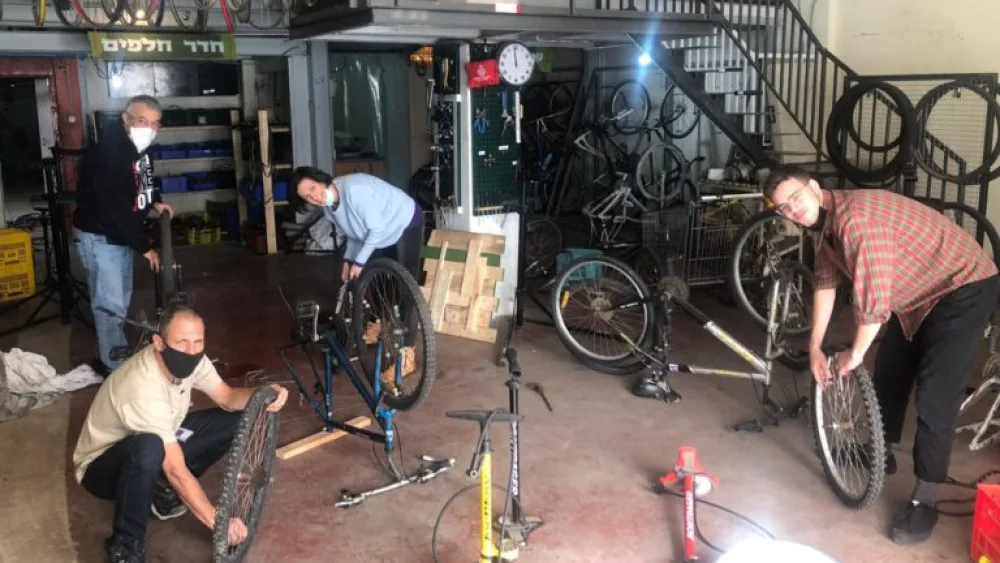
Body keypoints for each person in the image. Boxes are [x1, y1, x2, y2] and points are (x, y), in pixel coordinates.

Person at [763, 166, 999, 545]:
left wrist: (854, 353)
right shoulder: (821, 228)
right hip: (919, 289)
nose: (793, 209)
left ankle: (925, 497)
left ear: (814, 187)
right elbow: (825, 283)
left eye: (796, 198)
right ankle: (880, 450)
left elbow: (873, 303)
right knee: (890, 367)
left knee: (936, 392)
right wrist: (814, 347)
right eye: (784, 208)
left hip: (963, 283)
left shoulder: (855, 220)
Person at [72, 305, 289, 563]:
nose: (191, 351)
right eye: (182, 342)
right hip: (102, 467)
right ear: (159, 343)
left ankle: (161, 490)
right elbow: (174, 467)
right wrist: (219, 522)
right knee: (149, 447)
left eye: (198, 342)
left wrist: (263, 393)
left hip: (161, 435)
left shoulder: (195, 360)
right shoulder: (141, 386)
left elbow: (227, 397)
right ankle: (125, 546)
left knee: (240, 418)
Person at [73, 94, 173, 377]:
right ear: (125, 120)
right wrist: (144, 247)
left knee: (118, 299)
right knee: (111, 304)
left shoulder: (141, 148)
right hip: (100, 236)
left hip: (118, 236)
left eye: (154, 123)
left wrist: (155, 202)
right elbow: (112, 209)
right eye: (142, 120)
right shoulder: (108, 153)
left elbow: (144, 181)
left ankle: (104, 355)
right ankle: (114, 368)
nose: (148, 128)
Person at [289, 167, 424, 284]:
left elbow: (376, 229)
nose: (314, 197)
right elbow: (354, 234)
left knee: (407, 281)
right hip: (384, 230)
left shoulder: (354, 191)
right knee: (383, 280)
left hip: (406, 219)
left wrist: (359, 262)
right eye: (307, 197)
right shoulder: (329, 210)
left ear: (321, 180)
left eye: (313, 188)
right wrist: (348, 261)